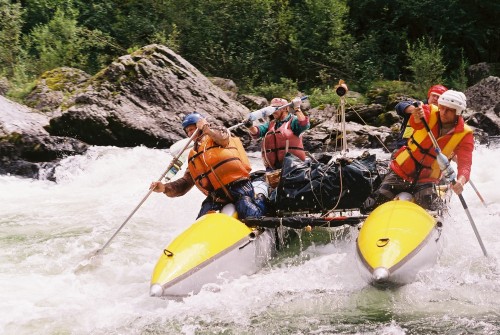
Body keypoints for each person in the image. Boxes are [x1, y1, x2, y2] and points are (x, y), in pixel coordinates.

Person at [362, 90, 473, 212]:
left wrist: (461, 181)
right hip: (400, 173)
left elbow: (465, 163)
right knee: (373, 205)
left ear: (458, 113)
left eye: (449, 110)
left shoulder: (465, 134)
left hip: (426, 180)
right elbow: (417, 123)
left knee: (434, 210)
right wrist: (416, 115)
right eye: (442, 108)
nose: (443, 112)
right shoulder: (429, 111)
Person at [150, 112, 266, 219]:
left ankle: (261, 199)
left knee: (249, 213)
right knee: (201, 218)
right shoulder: (194, 156)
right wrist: (165, 188)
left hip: (239, 186)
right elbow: (186, 182)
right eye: (188, 131)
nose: (191, 133)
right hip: (217, 196)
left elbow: (223, 137)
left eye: (193, 128)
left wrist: (206, 128)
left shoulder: (217, 136)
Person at [245, 97, 310, 170]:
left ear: (285, 109)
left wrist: (297, 108)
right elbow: (257, 132)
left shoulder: (293, 121)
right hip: (273, 168)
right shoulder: (271, 124)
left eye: (276, 109)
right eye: (271, 109)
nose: (273, 111)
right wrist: (250, 126)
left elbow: (304, 124)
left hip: (293, 167)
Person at [394, 85, 448, 149]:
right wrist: (414, 110)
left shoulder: (443, 114)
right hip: (404, 144)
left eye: (438, 97)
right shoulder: (418, 104)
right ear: (429, 96)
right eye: (433, 95)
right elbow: (399, 106)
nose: (435, 98)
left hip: (424, 148)